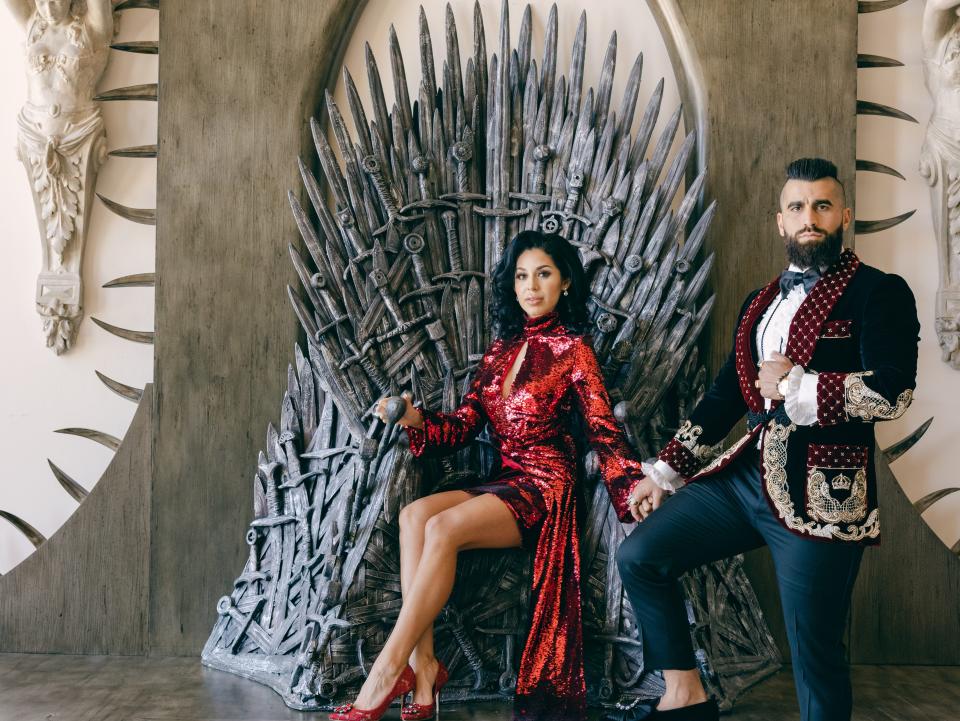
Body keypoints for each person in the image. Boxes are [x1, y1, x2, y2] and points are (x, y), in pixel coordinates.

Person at [618, 158, 920, 721]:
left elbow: (894, 392)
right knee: (640, 555)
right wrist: (665, 470)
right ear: (780, 222)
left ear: (845, 216)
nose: (811, 218)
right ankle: (684, 693)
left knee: (814, 651)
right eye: (798, 208)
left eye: (823, 206)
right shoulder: (759, 303)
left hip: (823, 493)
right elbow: (726, 395)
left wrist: (798, 386)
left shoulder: (879, 293)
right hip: (744, 479)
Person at [329, 230, 647, 721]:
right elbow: (461, 426)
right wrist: (414, 419)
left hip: (545, 487)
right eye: (521, 276)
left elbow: (604, 430)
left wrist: (634, 487)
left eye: (543, 274)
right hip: (504, 478)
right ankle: (426, 667)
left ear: (565, 282)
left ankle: (387, 671)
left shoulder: (574, 351)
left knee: (441, 527)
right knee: (415, 516)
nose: (531, 286)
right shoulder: (501, 352)